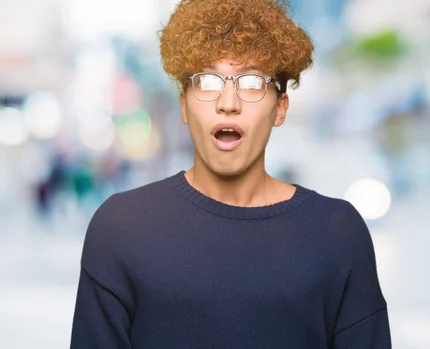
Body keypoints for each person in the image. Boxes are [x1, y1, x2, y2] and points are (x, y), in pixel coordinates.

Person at [69, 0, 391, 348]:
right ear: (183, 106)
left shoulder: (338, 233)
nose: (228, 101)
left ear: (280, 107)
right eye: (207, 80)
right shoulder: (121, 228)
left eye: (251, 82)